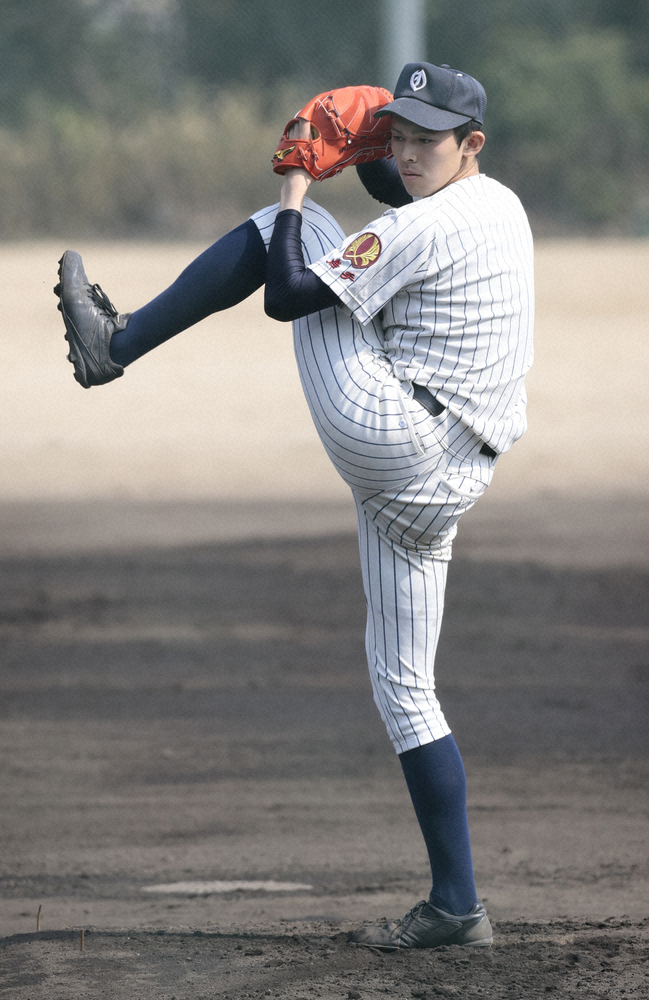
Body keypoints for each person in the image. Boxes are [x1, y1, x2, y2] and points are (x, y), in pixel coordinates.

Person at [54, 61, 534, 950]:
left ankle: (114, 346)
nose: (408, 150)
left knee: (305, 227)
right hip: (445, 483)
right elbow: (404, 195)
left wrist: (296, 179)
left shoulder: (430, 227)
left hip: (392, 438)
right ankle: (456, 907)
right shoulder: (497, 206)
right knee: (406, 691)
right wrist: (366, 154)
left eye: (430, 138)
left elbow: (284, 296)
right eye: (399, 132)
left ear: (472, 145)